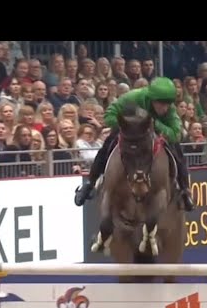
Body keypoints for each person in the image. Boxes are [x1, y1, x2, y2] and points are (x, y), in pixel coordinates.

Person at [74, 77, 194, 211]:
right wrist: (127, 125)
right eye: (159, 103)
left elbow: (175, 134)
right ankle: (90, 183)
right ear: (151, 98)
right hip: (130, 130)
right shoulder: (133, 97)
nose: (163, 108)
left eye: (167, 104)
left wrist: (155, 124)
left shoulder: (170, 111)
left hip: (153, 132)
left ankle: (185, 190)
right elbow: (109, 114)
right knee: (107, 145)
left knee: (178, 152)